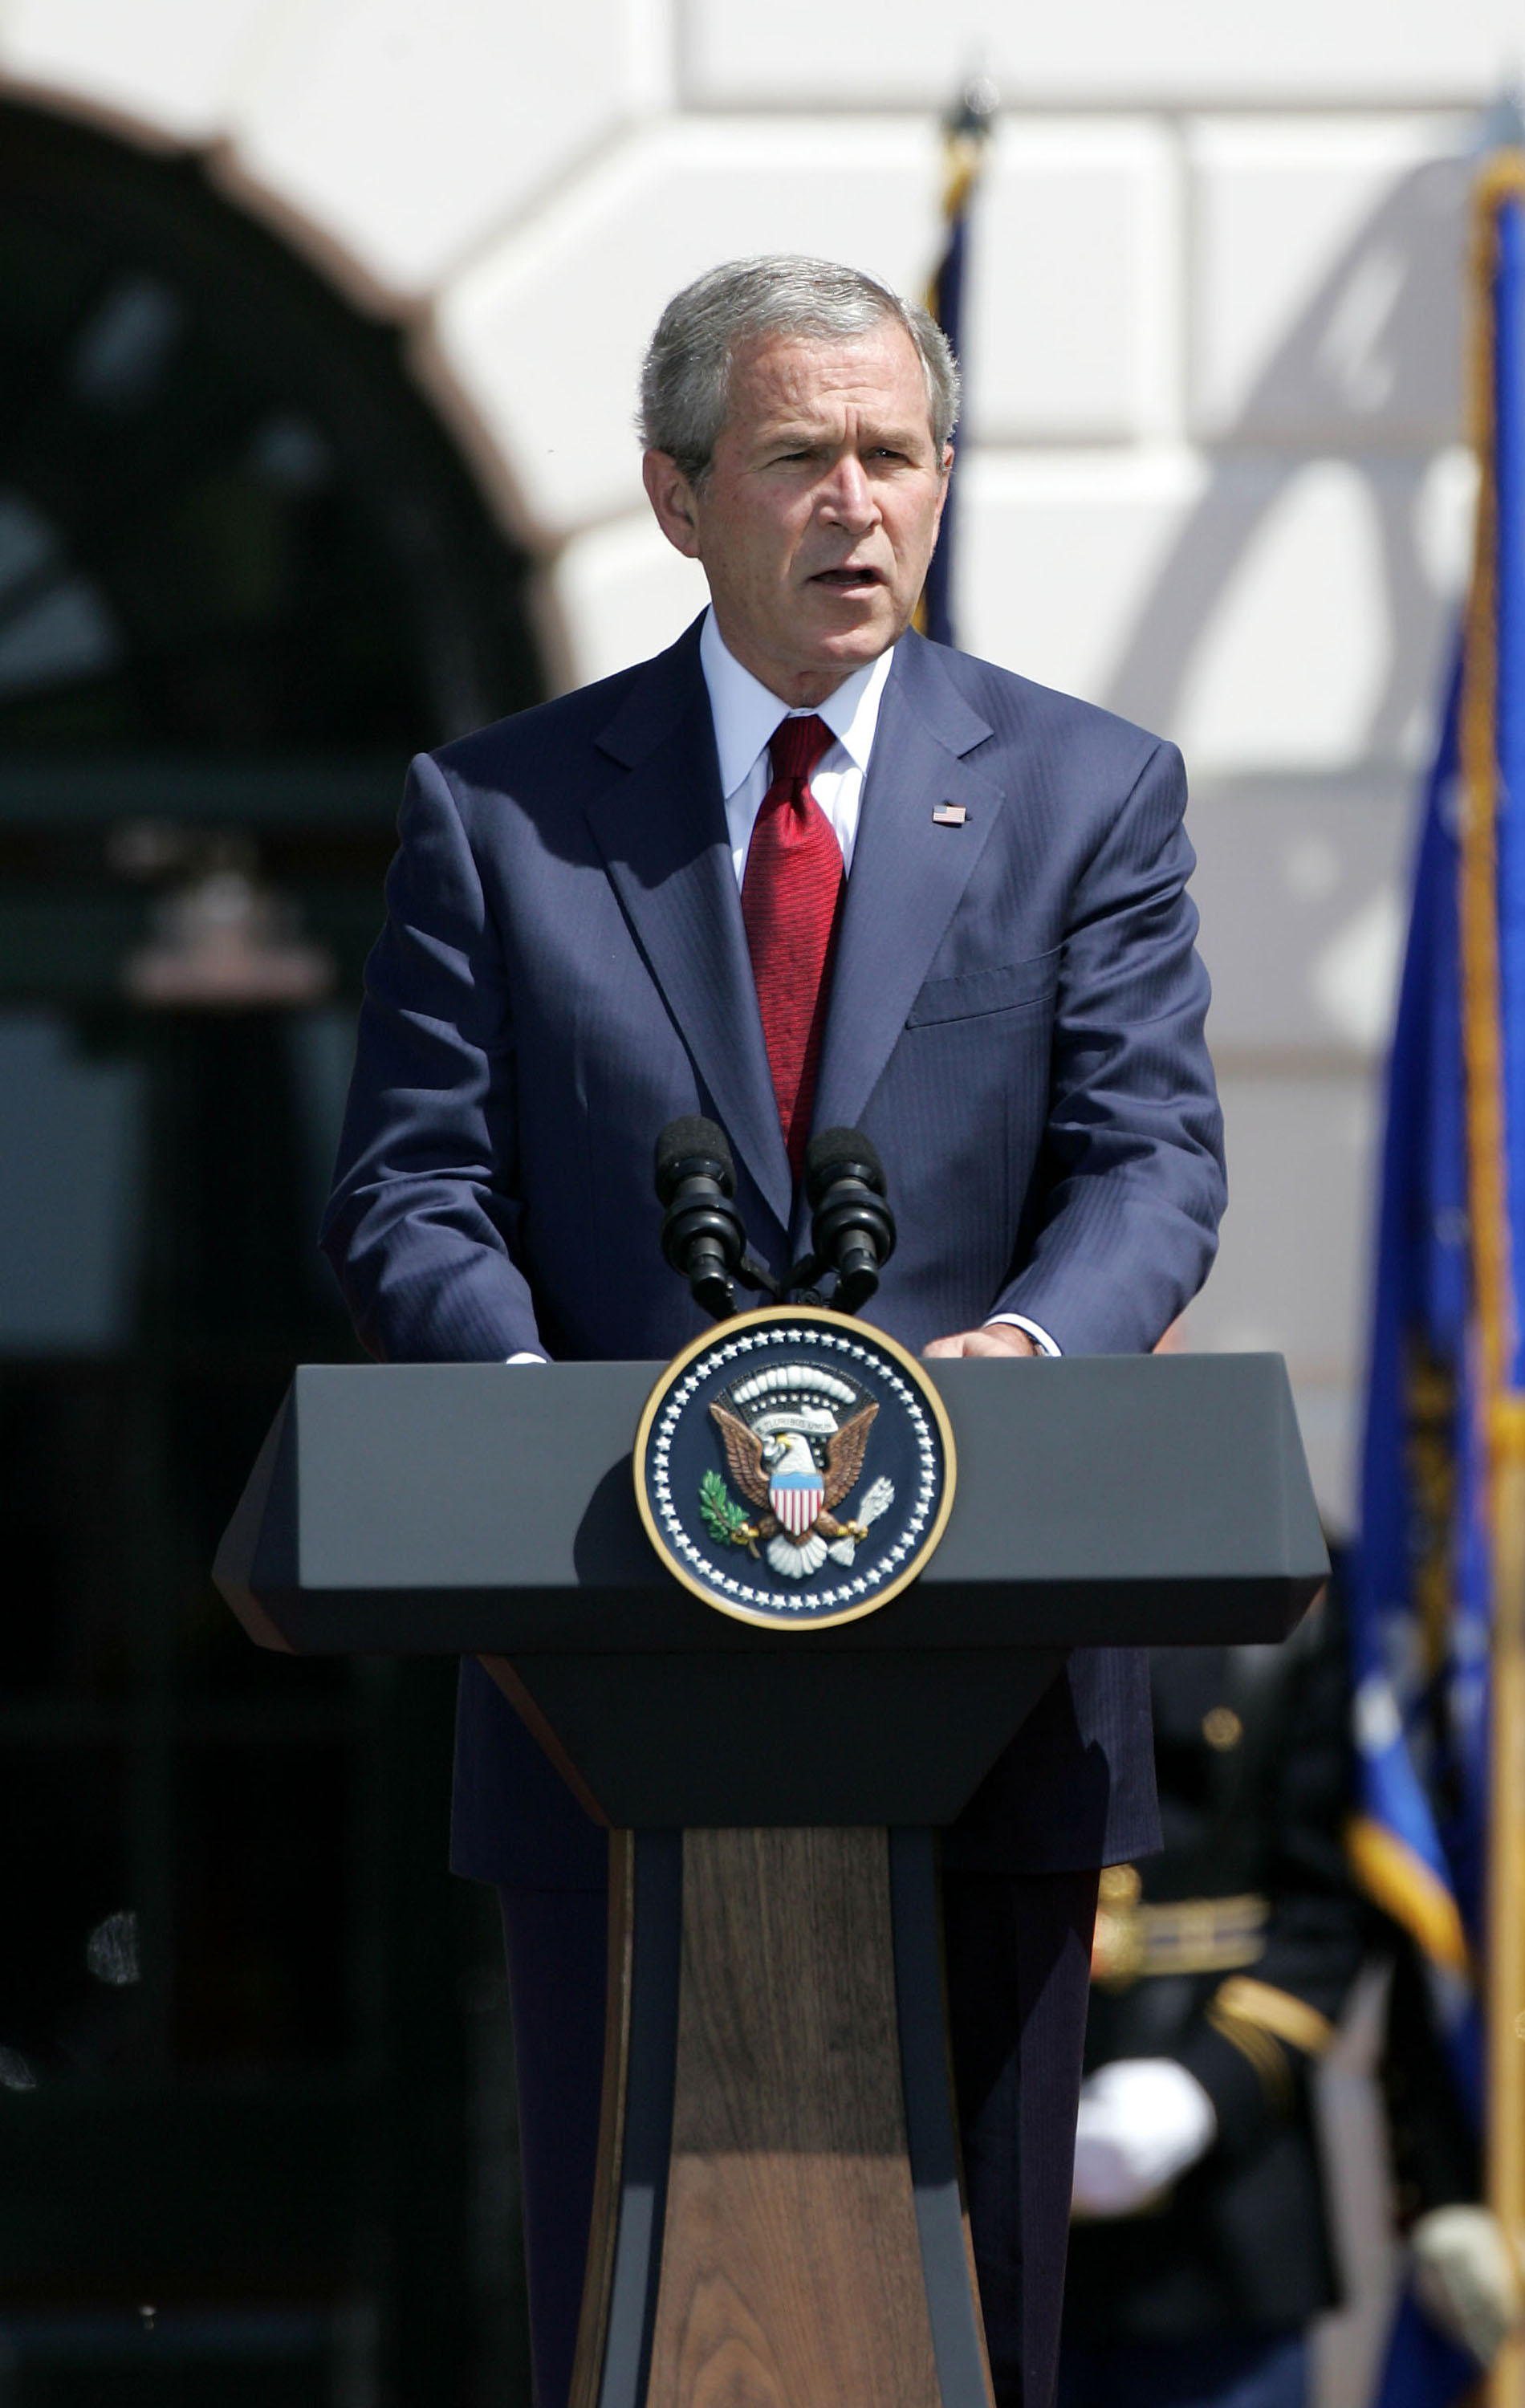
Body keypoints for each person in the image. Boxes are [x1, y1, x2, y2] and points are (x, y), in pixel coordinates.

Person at [319, 255, 1226, 2408]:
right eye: (799, 458)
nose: (857, 508)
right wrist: (534, 1416)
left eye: (894, 457)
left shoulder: (1084, 793)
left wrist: (1016, 1370)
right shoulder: (503, 813)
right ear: (674, 494)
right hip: (606, 1678)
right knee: (628, 2324)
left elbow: (1149, 1169)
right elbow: (408, 1191)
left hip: (984, 1683)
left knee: (978, 2329)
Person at [1059, 1585, 1367, 2408]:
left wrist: (1200, 2093)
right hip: (996, 2171)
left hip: (1225, 2204)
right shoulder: (977, 1539)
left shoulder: (1301, 1573)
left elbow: (1332, 1899)